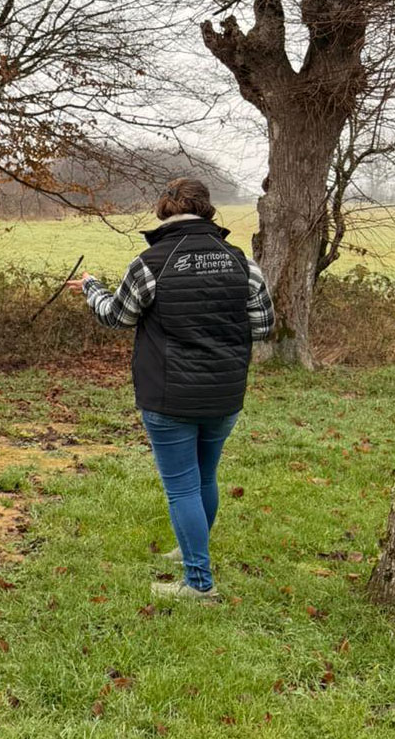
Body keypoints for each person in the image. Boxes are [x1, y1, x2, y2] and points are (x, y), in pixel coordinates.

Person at [66, 178, 274, 601]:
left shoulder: (150, 263)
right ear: (208, 211)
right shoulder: (241, 263)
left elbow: (116, 316)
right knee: (205, 477)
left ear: (165, 211)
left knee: (181, 486)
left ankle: (199, 583)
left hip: (167, 394)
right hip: (225, 391)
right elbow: (264, 326)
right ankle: (189, 549)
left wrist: (91, 288)